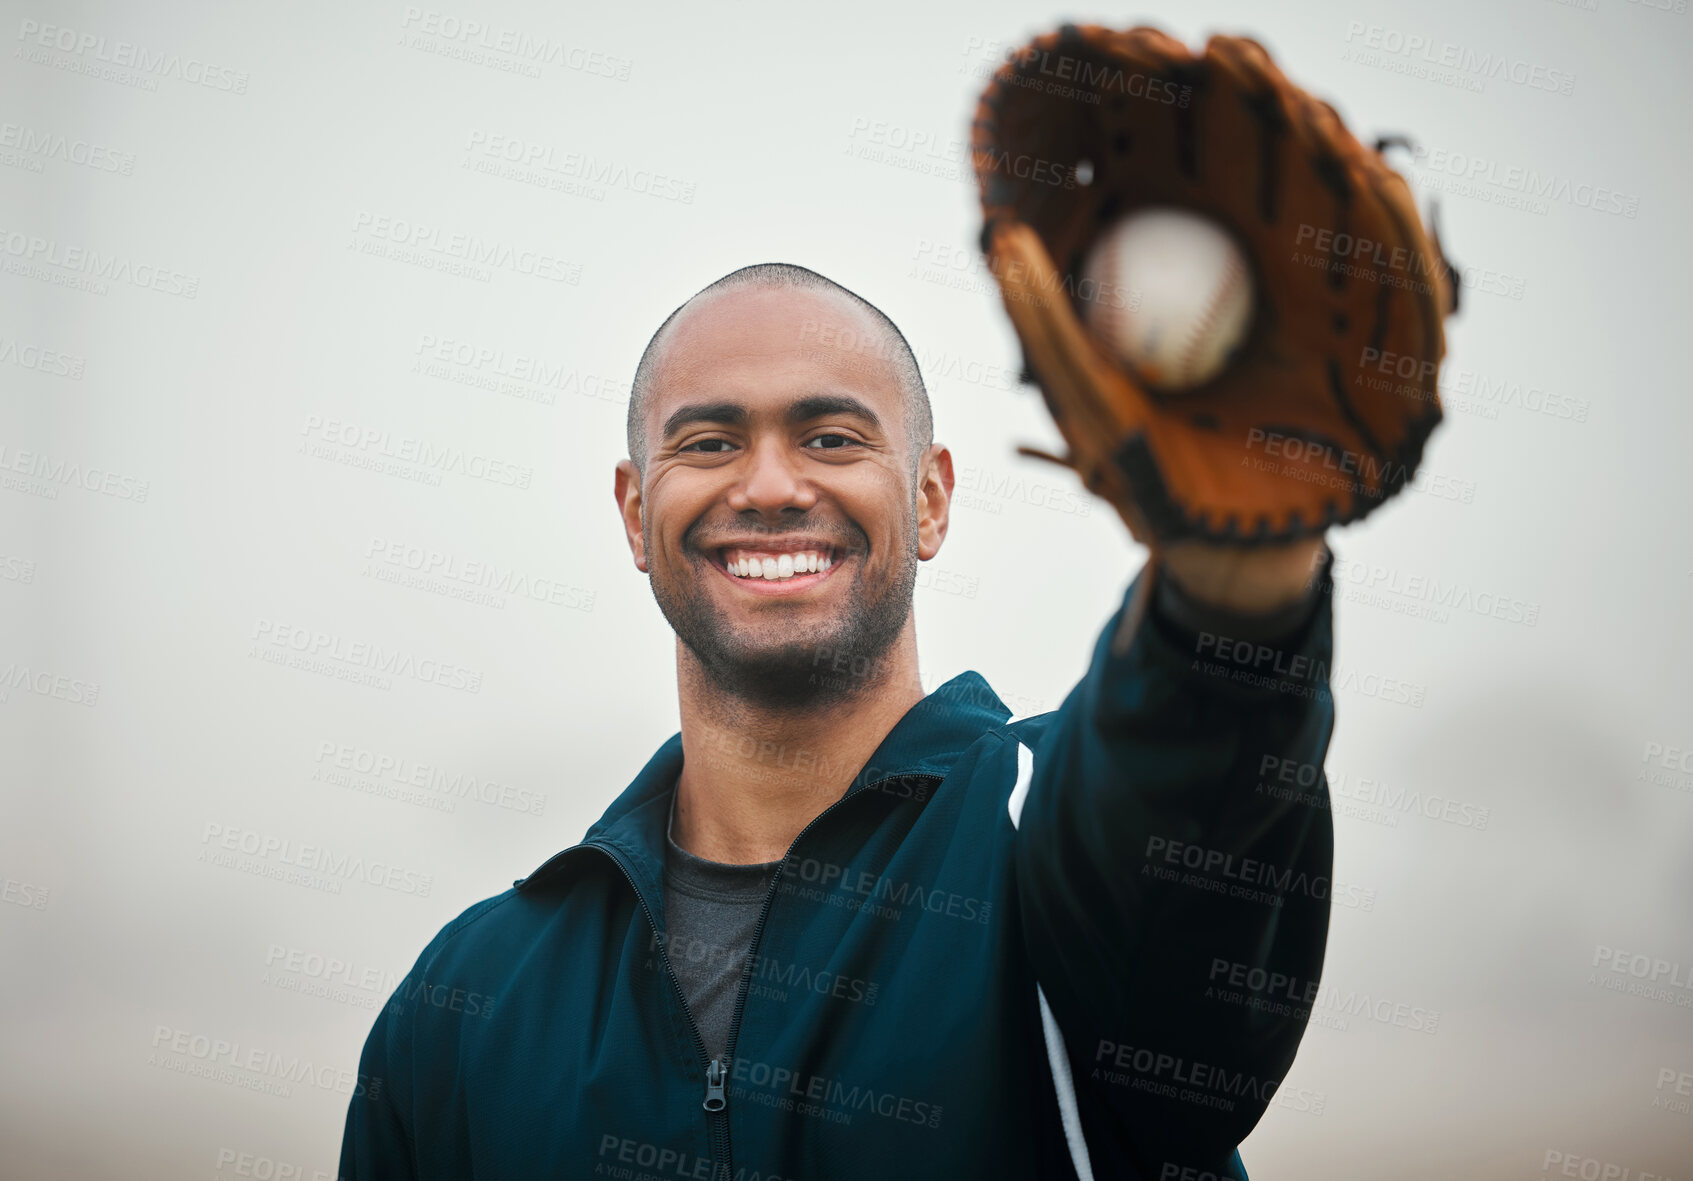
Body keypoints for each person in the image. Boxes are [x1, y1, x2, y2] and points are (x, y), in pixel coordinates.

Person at [338, 263, 1338, 1180]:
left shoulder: (1051, 840)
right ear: (634, 509)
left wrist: (1235, 578)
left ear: (932, 498)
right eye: (709, 441)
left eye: (831, 437)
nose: (770, 486)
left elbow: (1191, 767)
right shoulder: (460, 1003)